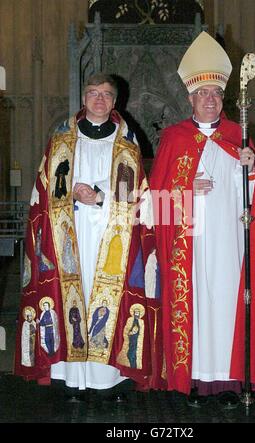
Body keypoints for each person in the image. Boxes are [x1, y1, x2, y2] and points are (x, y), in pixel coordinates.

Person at [150, 31, 255, 408]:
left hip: (229, 245)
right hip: (189, 246)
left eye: (215, 94)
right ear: (190, 98)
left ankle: (228, 383)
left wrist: (251, 168)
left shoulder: (238, 136)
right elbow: (155, 203)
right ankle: (191, 379)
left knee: (227, 307)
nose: (209, 99)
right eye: (202, 94)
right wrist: (185, 189)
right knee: (195, 309)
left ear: (223, 98)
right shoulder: (174, 140)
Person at [15, 72, 164, 399]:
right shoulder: (63, 139)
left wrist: (99, 196)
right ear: (83, 98)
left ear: (115, 101)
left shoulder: (127, 141)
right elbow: (44, 190)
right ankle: (72, 379)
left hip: (113, 235)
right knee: (72, 298)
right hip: (70, 235)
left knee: (109, 300)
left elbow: (136, 192)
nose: (99, 99)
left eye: (106, 94)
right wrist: (70, 193)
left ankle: (107, 381)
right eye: (93, 93)